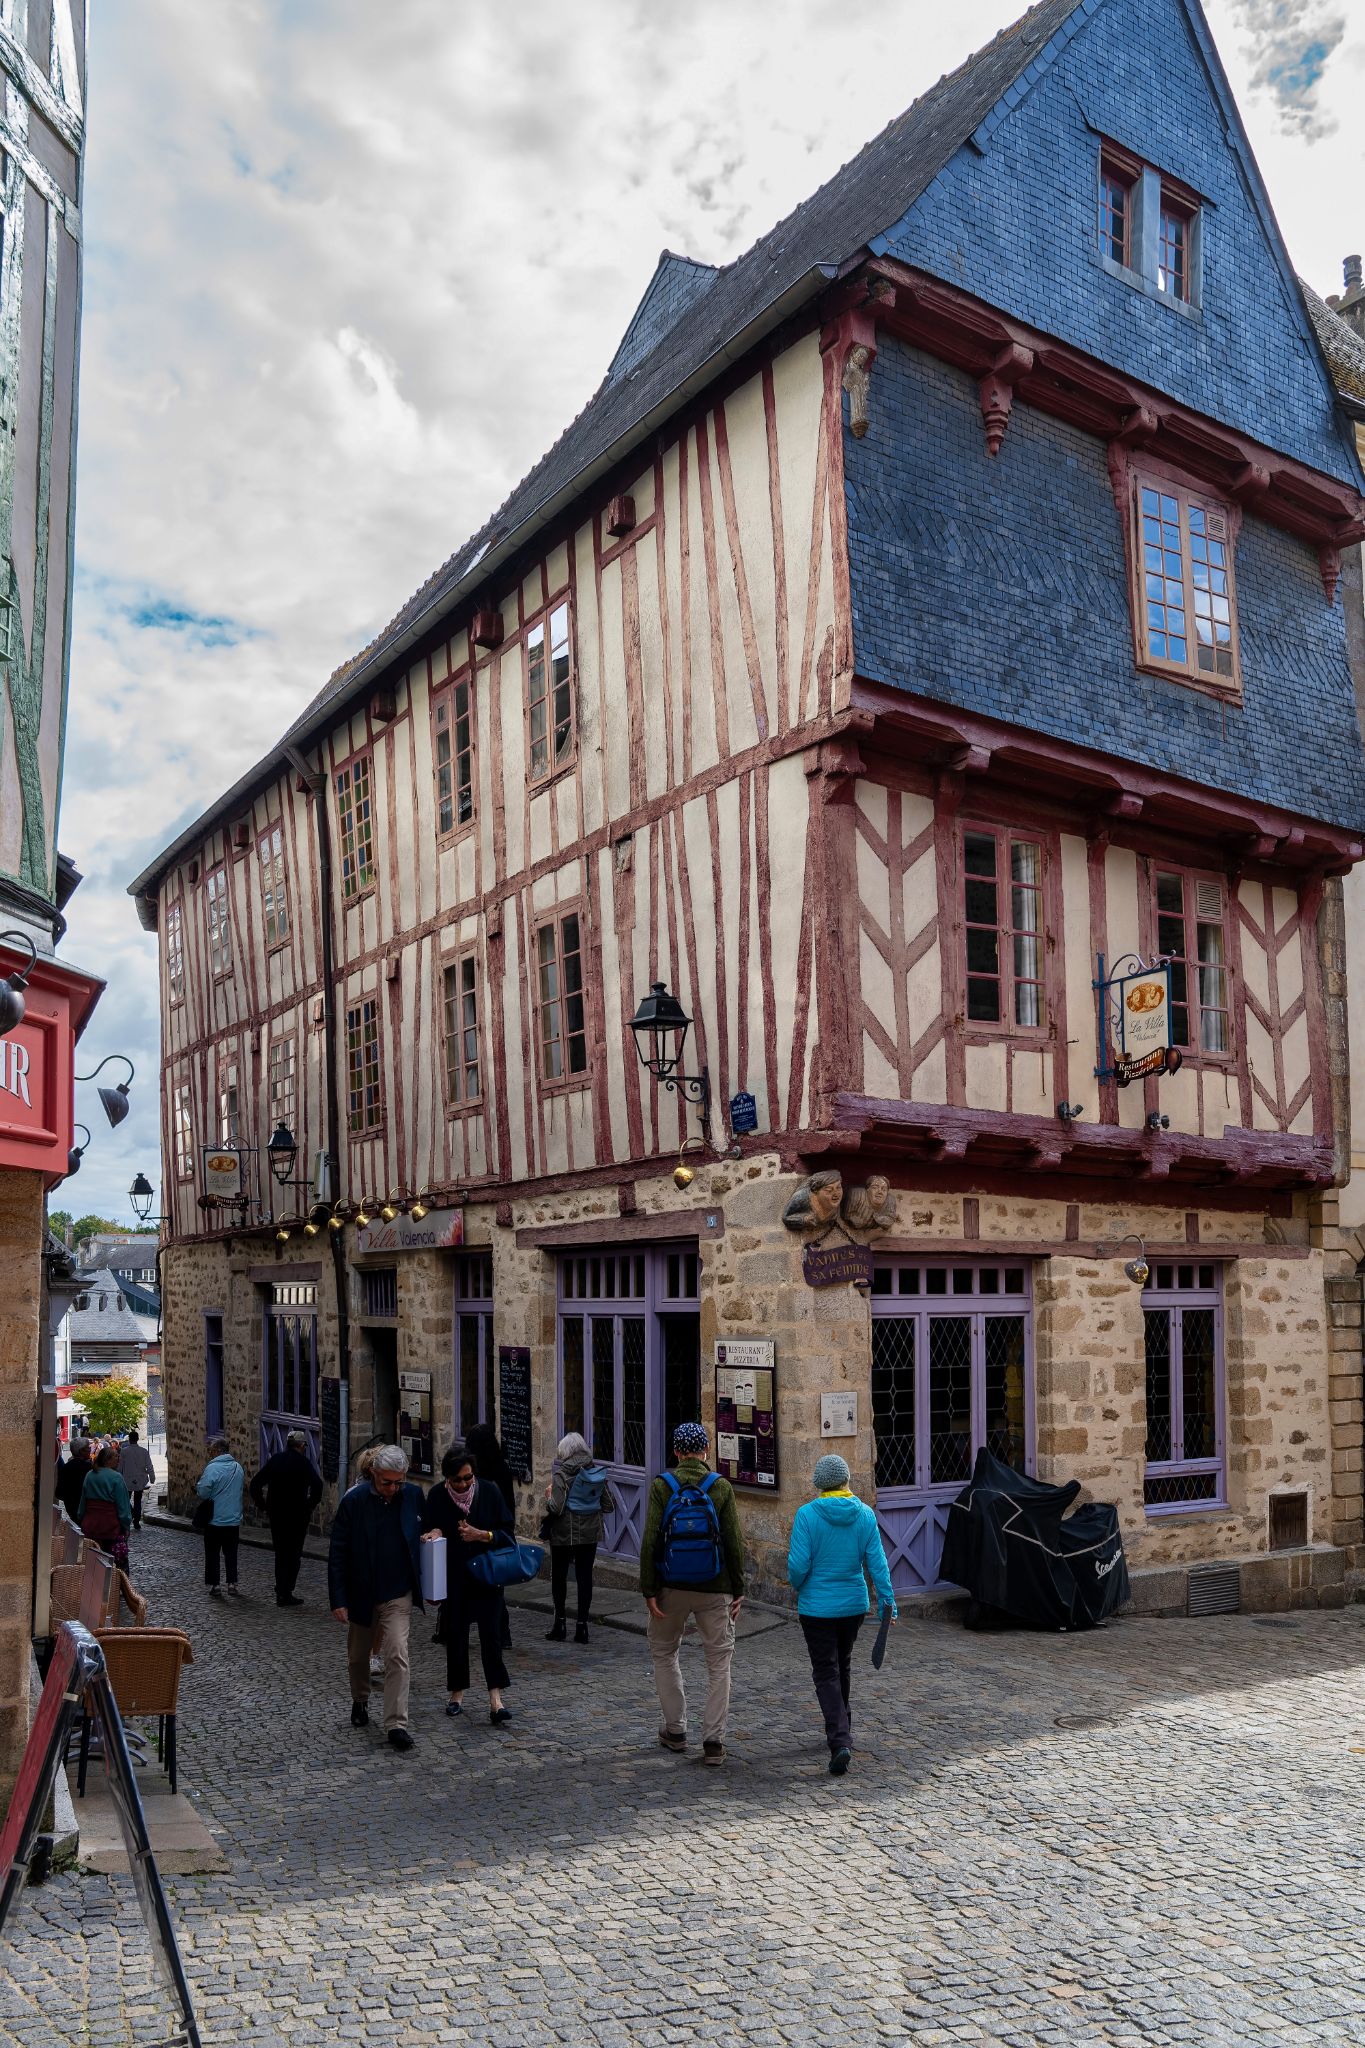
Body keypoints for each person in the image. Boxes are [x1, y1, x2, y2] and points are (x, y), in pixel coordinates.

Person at [640, 1422, 744, 1766]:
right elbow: (732, 1541)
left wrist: (649, 1589)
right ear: (706, 1451)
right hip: (715, 1588)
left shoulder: (662, 1486)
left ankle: (675, 1730)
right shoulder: (721, 1487)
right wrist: (738, 1588)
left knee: (664, 1653)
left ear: (676, 1452)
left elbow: (650, 1540)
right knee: (718, 1664)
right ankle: (713, 1741)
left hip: (670, 1586)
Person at [787, 1452, 897, 1777]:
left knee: (825, 1671)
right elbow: (877, 1564)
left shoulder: (806, 1515)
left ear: (820, 1484)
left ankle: (839, 1740)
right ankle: (842, 1725)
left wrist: (800, 1584)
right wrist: (888, 1602)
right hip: (852, 1607)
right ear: (847, 1480)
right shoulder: (864, 1515)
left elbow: (797, 1566)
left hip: (817, 1608)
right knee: (842, 1664)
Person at [328, 1443, 424, 1751]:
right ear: (373, 1474)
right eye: (387, 1482)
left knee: (397, 1653)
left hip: (398, 1593)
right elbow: (338, 1552)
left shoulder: (411, 1497)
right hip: (362, 1593)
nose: (393, 1488)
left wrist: (433, 1531)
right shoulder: (354, 1502)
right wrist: (338, 1599)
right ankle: (360, 1699)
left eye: (399, 1482)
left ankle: (396, 1723)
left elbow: (430, 1527)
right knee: (358, 1658)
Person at [420, 1443, 512, 1725]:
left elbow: (507, 1533)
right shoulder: (436, 1495)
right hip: (455, 1578)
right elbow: (428, 1526)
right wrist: (432, 1532)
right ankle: (456, 1693)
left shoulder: (490, 1492)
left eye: (467, 1478)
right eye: (457, 1479)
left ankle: (496, 1699)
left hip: (486, 1577)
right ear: (447, 1478)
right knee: (456, 1636)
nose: (463, 1484)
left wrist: (482, 1535)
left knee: (491, 1637)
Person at [542, 1431, 613, 1643]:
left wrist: (548, 1496)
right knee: (584, 1579)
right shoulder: (595, 1473)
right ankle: (582, 1627)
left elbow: (556, 1508)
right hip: (590, 1534)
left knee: (559, 1578)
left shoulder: (561, 1475)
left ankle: (560, 1624)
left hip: (564, 1534)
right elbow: (608, 1505)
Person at [249, 1429, 323, 1606]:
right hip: (298, 1515)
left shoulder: (276, 1460)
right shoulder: (304, 1463)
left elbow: (255, 1484)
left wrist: (264, 1506)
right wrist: (309, 1505)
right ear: (302, 1445)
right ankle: (286, 1590)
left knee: (281, 1553)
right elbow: (317, 1485)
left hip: (278, 1514)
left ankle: (281, 1591)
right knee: (294, 1554)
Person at [466, 1422, 517, 1650]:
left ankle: (455, 1630)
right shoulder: (502, 1471)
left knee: (466, 1586)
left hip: (479, 1536)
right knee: (495, 1590)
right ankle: (502, 1634)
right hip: (497, 1536)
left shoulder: (475, 1477)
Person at [196, 1437, 245, 1600]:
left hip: (215, 1520)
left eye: (211, 1451)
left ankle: (215, 1585)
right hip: (233, 1519)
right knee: (231, 1553)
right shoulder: (238, 1468)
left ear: (217, 1451)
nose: (210, 1454)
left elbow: (203, 1491)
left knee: (212, 1553)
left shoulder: (212, 1469)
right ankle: (232, 1583)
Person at [79, 1445, 133, 1574]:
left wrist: (81, 1518)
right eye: (115, 1456)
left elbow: (83, 1501)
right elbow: (123, 1506)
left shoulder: (90, 1475)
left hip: (91, 1524)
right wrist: (126, 1525)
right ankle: (115, 1586)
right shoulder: (116, 1477)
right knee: (116, 1562)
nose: (118, 1458)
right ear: (108, 1459)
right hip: (110, 1525)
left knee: (94, 1560)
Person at [117, 1429, 156, 1531]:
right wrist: (152, 1478)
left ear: (129, 1439)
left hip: (127, 1479)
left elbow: (120, 1466)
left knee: (126, 1500)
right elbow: (149, 1466)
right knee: (137, 1500)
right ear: (138, 1439)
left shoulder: (124, 1452)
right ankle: (136, 1520)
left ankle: (131, 1515)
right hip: (140, 1479)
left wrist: (117, 1477)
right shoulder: (144, 1451)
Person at [56, 1436, 93, 1521]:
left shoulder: (66, 1467)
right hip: (86, 1509)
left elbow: (59, 1493)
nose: (90, 1450)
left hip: (71, 1509)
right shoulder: (88, 1468)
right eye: (88, 1447)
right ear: (81, 1451)